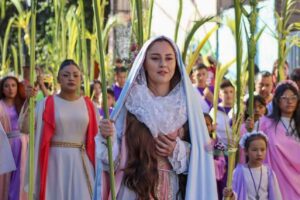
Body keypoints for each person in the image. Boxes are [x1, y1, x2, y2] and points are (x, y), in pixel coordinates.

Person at [94, 36, 217, 199]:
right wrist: (107, 137)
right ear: (143, 63)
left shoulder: (188, 105)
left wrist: (177, 150)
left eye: (168, 58)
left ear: (176, 63)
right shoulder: (131, 103)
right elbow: (113, 160)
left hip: (174, 190)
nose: (163, 64)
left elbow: (204, 158)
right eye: (155, 58)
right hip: (135, 188)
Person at [25, 59, 99, 200]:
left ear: (81, 78)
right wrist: (28, 102)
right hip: (55, 161)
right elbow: (25, 127)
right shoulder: (46, 103)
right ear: (58, 78)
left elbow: (98, 137)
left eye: (75, 75)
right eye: (66, 75)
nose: (71, 78)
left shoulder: (89, 105)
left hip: (81, 161)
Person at [258, 80, 300, 199]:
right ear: (277, 100)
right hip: (277, 179)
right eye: (285, 97)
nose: (290, 101)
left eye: (293, 97)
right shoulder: (266, 124)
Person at [223, 131, 282, 200]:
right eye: (254, 150)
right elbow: (234, 194)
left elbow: (276, 195)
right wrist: (230, 195)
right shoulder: (238, 172)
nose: (259, 153)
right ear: (246, 151)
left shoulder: (269, 173)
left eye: (262, 150)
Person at [0, 76, 27, 200]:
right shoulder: (0, 105)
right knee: (5, 177)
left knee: (20, 176)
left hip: (23, 145)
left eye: (13, 85)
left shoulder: (23, 104)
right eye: (7, 86)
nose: (10, 89)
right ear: (2, 88)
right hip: (5, 145)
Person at [204, 113, 226, 200]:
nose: (205, 127)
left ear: (211, 127)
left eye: (207, 124)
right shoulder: (192, 142)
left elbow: (222, 163)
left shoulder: (217, 143)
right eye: (202, 124)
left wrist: (209, 162)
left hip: (212, 181)